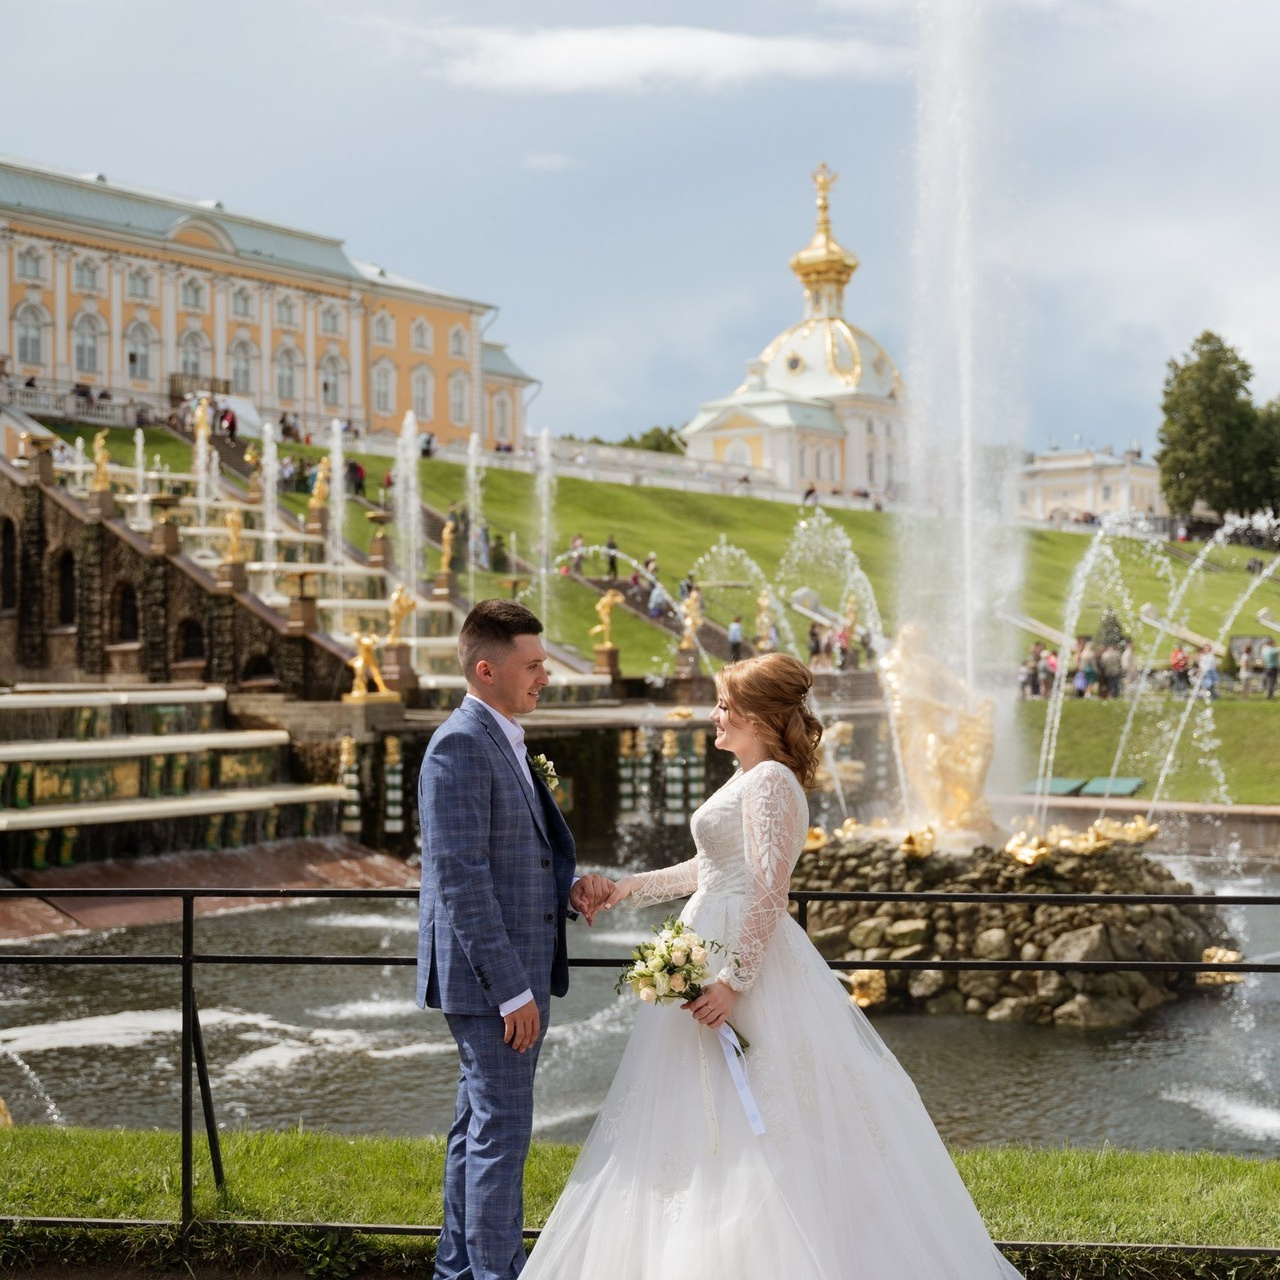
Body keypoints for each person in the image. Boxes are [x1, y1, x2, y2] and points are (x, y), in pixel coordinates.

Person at [520, 653, 1022, 1280]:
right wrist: (623, 890)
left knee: (762, 1114)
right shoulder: (749, 777)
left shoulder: (770, 783)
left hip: (744, 968)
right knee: (698, 1116)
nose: (714, 715)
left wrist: (734, 983)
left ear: (758, 717)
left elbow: (767, 888)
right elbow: (709, 869)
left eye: (726, 706)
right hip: (717, 944)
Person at [416, 600, 613, 1280]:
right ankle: (495, 1273)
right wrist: (511, 993)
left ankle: (458, 1270)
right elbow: (462, 881)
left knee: (477, 1130)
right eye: (532, 666)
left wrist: (567, 886)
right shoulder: (461, 745)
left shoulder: (500, 736)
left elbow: (514, 858)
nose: (545, 677)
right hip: (491, 983)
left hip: (509, 974)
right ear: (485, 668)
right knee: (501, 1134)